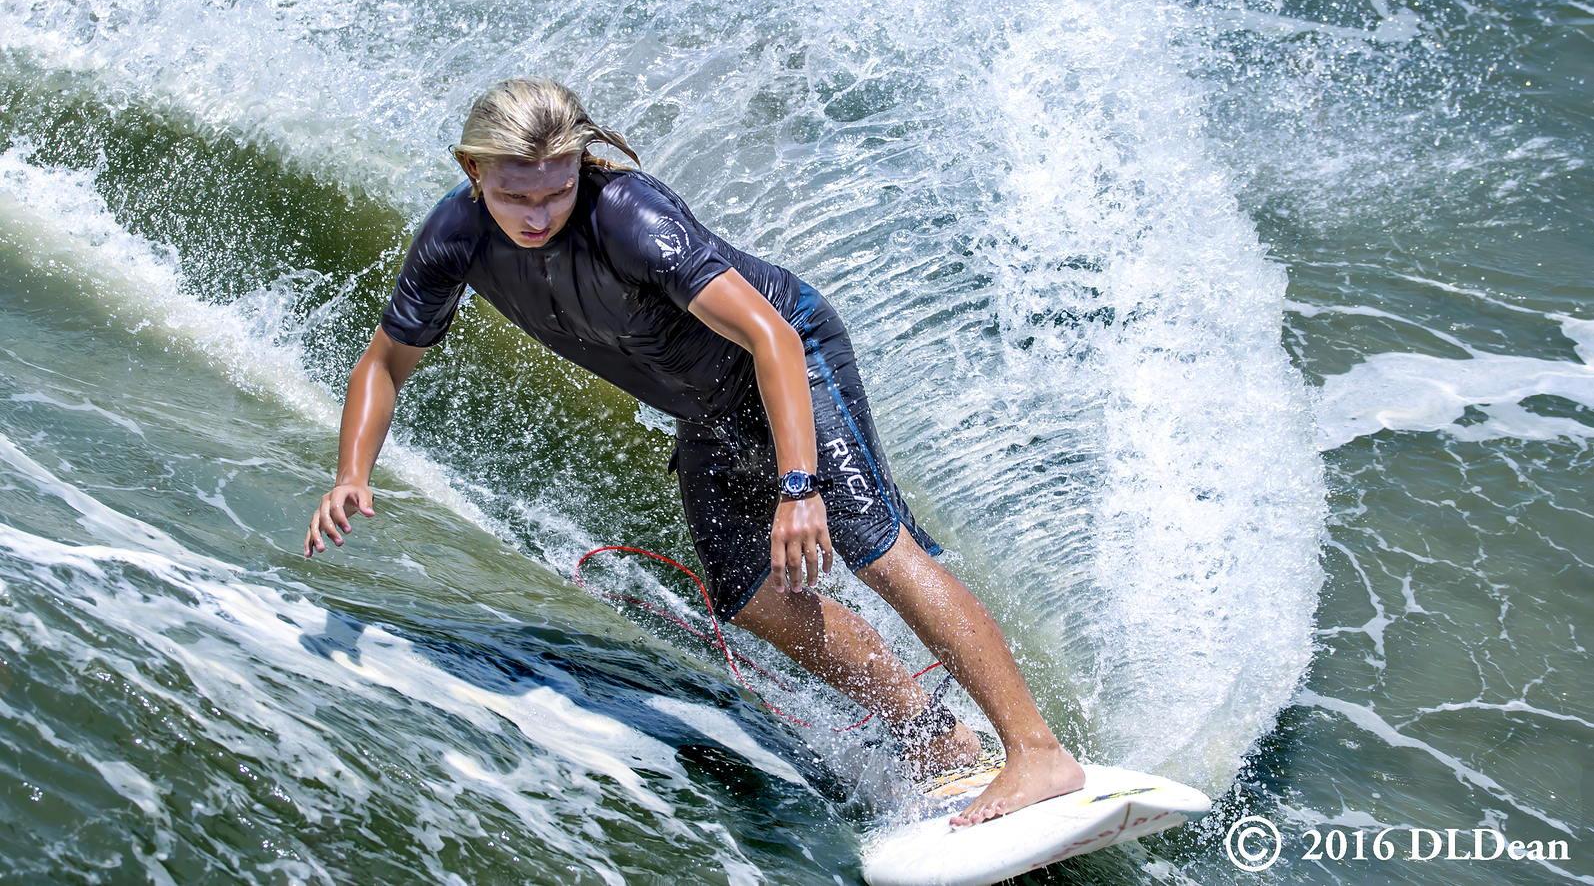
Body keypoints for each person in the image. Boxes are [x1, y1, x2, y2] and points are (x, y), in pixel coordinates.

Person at [305, 77, 1084, 826]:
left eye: (555, 190)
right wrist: (351, 472)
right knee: (750, 594)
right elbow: (383, 362)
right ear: (470, 169)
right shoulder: (455, 238)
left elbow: (769, 334)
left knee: (876, 551)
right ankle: (933, 735)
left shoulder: (629, 219)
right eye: (515, 195)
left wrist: (799, 482)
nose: (537, 215)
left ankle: (1037, 750)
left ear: (581, 162)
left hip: (788, 363)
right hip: (704, 404)